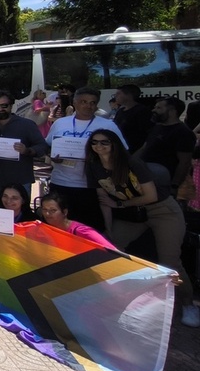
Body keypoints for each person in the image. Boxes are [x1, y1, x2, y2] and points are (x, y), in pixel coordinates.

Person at [84, 129, 198, 327]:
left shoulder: (132, 163)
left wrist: (120, 205)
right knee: (109, 249)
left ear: (115, 144)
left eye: (105, 142)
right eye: (94, 142)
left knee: (170, 261)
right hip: (132, 215)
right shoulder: (93, 167)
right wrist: (109, 231)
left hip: (162, 210)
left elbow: (151, 196)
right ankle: (113, 298)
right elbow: (104, 201)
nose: (99, 146)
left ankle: (188, 303)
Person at [45, 87, 126, 231]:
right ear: (74, 103)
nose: (88, 106)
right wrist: (52, 156)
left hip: (93, 186)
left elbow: (122, 152)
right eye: (84, 102)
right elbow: (48, 146)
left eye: (92, 103)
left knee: (91, 229)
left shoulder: (107, 125)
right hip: (61, 183)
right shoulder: (60, 123)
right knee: (60, 228)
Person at [0, 90, 48, 202]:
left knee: (22, 217)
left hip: (20, 181)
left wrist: (27, 150)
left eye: (4, 106)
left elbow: (42, 146)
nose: (0, 109)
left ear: (11, 106)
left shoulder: (26, 125)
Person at [136, 96, 194, 197]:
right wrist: (128, 162)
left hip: (163, 183)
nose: (154, 110)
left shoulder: (183, 132)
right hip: (145, 179)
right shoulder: (157, 127)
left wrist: (174, 186)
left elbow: (184, 162)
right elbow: (144, 148)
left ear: (172, 111)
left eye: (159, 108)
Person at [39, 193, 114, 250]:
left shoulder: (82, 231)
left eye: (53, 210)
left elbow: (111, 250)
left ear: (65, 212)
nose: (47, 214)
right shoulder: (42, 229)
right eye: (44, 210)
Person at [112, 84, 151, 154]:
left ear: (129, 95)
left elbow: (147, 133)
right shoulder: (120, 111)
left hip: (134, 151)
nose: (115, 96)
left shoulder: (141, 111)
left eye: (118, 93)